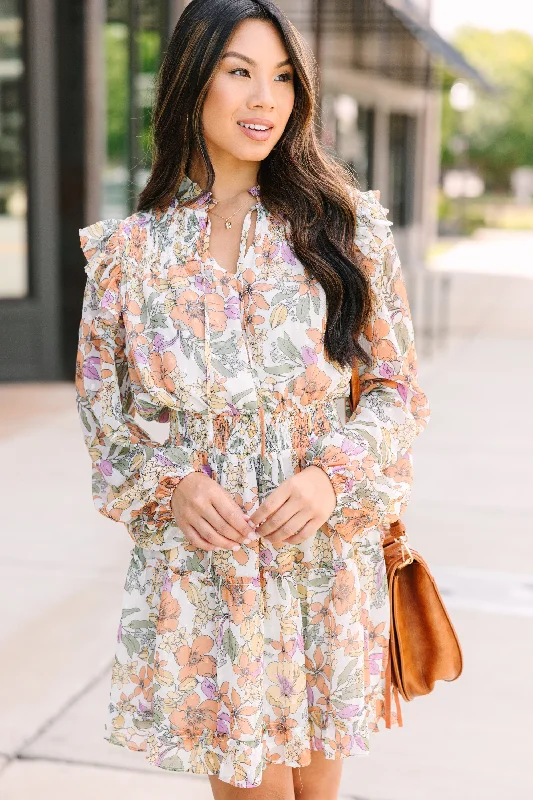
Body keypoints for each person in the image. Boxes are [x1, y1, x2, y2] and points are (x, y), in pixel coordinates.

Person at [75, 1, 430, 798]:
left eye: (279, 78)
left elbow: (394, 389)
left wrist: (329, 476)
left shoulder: (344, 228)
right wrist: (175, 485)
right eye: (238, 72)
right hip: (212, 571)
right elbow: (107, 422)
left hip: (322, 563)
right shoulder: (129, 256)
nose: (263, 98)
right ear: (191, 83)